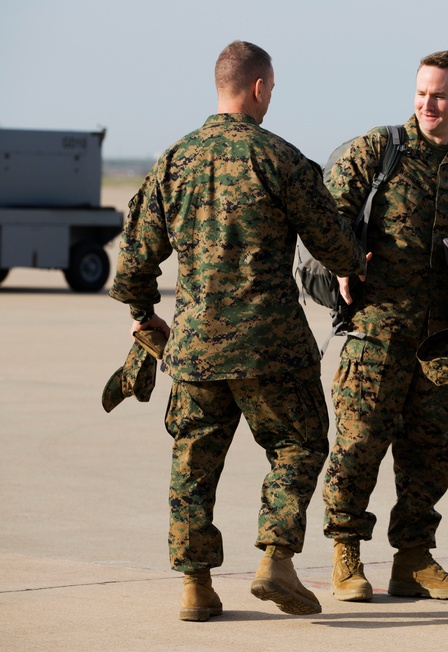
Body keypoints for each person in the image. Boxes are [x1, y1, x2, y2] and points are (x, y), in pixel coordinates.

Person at [109, 40, 366, 622]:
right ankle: (276, 558)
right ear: (258, 88)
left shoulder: (173, 161)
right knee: (298, 445)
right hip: (271, 346)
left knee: (193, 464)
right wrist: (355, 261)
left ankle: (196, 586)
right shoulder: (279, 158)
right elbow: (334, 243)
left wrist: (146, 314)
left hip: (195, 349)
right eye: (271, 88)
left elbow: (133, 265)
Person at [321, 49, 448, 602]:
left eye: (441, 94)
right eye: (423, 92)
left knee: (430, 452)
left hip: (440, 341)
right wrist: (345, 261)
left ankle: (414, 559)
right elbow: (325, 215)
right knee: (356, 447)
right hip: (376, 333)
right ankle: (345, 555)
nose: (429, 103)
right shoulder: (378, 150)